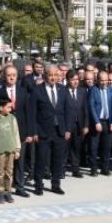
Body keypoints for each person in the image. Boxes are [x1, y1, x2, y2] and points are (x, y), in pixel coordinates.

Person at [0, 65, 33, 196]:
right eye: (9, 75)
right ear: (4, 76)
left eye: (14, 75)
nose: (11, 77)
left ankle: (20, 186)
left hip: (20, 132)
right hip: (4, 133)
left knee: (20, 161)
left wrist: (29, 133)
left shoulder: (23, 92)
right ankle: (3, 189)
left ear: (17, 76)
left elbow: (29, 113)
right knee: (3, 164)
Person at [30, 65, 70, 195]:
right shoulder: (37, 90)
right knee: (41, 159)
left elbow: (67, 111)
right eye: (50, 75)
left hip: (59, 131)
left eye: (55, 75)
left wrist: (68, 129)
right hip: (43, 131)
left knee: (57, 159)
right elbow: (33, 112)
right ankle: (38, 185)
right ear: (45, 76)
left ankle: (56, 184)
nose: (53, 78)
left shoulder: (63, 90)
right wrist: (34, 131)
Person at [0, 97, 20, 204]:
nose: (10, 109)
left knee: (9, 172)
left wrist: (17, 149)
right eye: (8, 107)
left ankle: (8, 192)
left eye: (10, 107)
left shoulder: (12, 118)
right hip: (0, 151)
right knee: (0, 172)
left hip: (11, 150)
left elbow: (16, 134)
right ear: (1, 108)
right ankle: (0, 192)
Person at [88, 70, 112, 176]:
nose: (104, 82)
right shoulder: (93, 90)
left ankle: (105, 168)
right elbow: (91, 106)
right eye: (102, 80)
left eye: (106, 80)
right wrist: (96, 122)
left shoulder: (111, 90)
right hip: (97, 122)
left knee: (107, 146)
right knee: (94, 147)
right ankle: (93, 168)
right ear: (97, 80)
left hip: (108, 122)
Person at [64, 71, 89, 178]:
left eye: (77, 80)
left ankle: (75, 169)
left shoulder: (82, 92)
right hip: (67, 126)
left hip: (79, 124)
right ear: (68, 80)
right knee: (65, 149)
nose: (75, 82)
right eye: (73, 79)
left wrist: (86, 125)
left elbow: (85, 109)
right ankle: (62, 169)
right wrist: (65, 129)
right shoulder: (63, 91)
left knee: (76, 148)